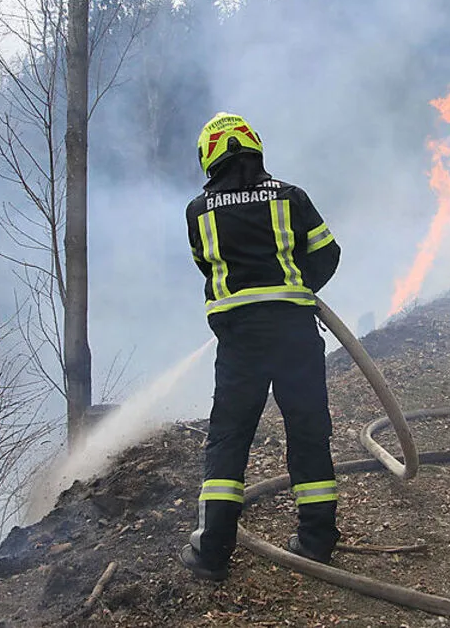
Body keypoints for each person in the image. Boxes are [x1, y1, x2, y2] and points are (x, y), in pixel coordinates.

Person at [179, 112, 342, 581]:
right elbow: (328, 253)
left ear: (209, 157)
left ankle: (211, 554)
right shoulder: (291, 198)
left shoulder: (199, 212)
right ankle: (317, 541)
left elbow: (208, 270)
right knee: (308, 433)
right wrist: (299, 288)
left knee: (229, 441)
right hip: (294, 333)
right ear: (255, 148)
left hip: (240, 342)